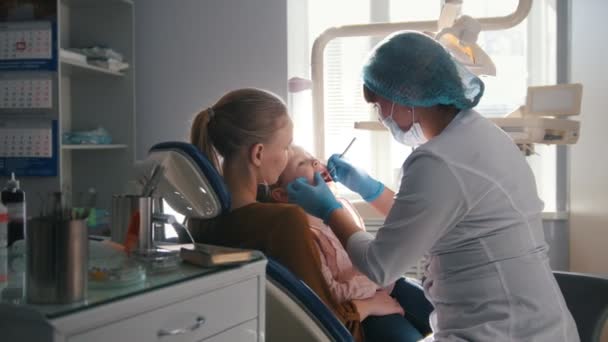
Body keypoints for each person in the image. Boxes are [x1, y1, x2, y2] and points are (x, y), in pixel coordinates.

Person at [286, 31, 580, 341]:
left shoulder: (439, 160)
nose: (381, 115)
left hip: (503, 331)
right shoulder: (479, 135)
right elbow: (430, 218)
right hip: (532, 322)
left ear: (404, 97)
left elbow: (380, 266)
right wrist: (369, 188)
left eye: (380, 105)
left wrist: (330, 210)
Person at [187, 88, 420, 342]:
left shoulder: (200, 221)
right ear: (258, 153)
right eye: (286, 146)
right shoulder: (284, 221)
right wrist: (369, 305)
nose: (291, 154)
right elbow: (320, 321)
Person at [260, 145, 433, 340]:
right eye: (303, 163)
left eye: (314, 158)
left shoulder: (343, 206)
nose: (316, 162)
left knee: (440, 315)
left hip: (389, 285)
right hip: (365, 308)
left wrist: (368, 187)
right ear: (282, 195)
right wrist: (374, 288)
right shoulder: (302, 234)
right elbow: (330, 293)